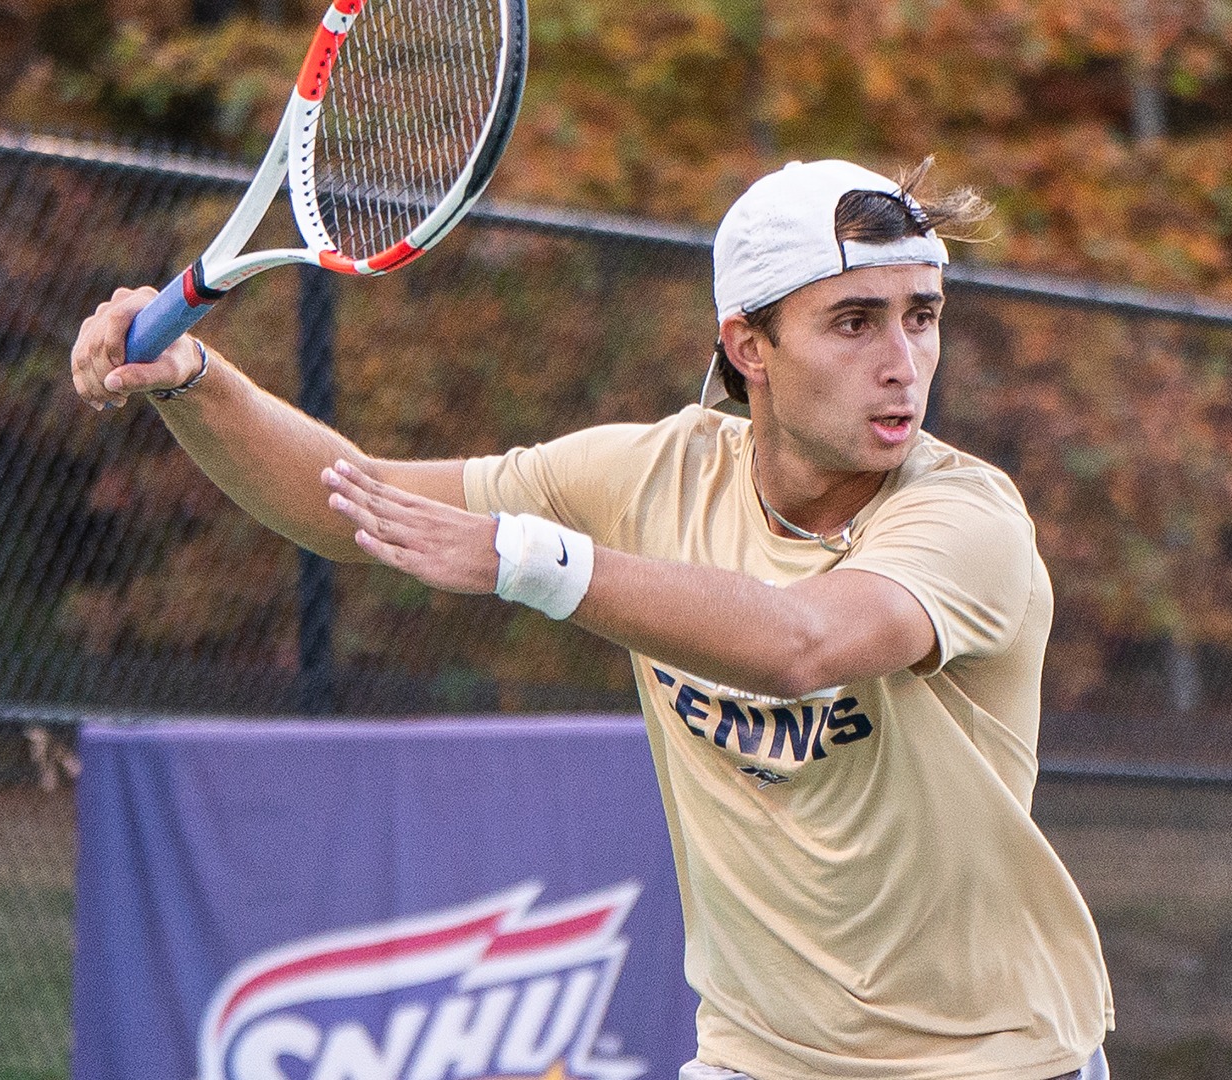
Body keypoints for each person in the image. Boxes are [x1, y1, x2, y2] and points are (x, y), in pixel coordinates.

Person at [72, 157, 1114, 1080]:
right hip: (755, 1059)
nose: (903, 361)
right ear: (748, 345)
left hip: (992, 1062)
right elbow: (355, 503)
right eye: (855, 322)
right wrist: (196, 382)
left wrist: (528, 559)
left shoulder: (966, 516)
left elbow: (801, 643)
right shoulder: (650, 475)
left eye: (922, 316)